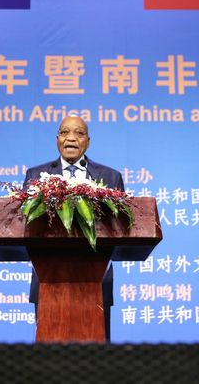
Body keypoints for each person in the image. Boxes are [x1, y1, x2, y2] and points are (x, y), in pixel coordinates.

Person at [23, 116, 124, 341]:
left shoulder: (110, 176)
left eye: (79, 133)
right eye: (65, 132)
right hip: (48, 278)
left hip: (96, 279)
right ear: (57, 139)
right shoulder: (35, 176)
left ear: (88, 141)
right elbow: (27, 225)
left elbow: (119, 228)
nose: (71, 138)